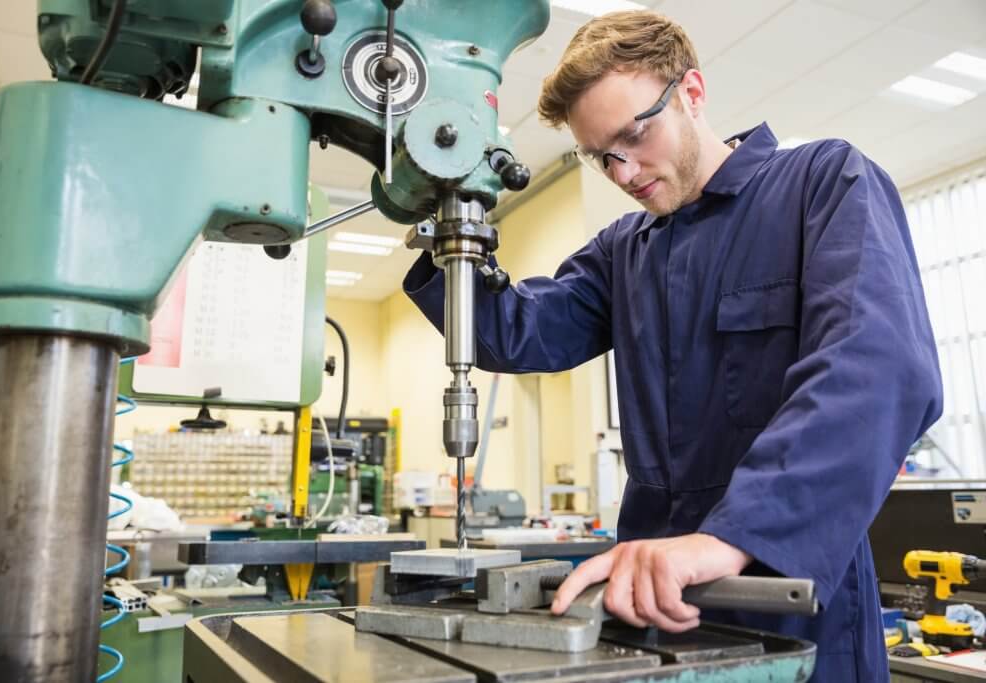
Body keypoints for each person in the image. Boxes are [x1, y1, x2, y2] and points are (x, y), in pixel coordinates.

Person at [403, 10, 942, 681]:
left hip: (797, 599)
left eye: (635, 134)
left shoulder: (821, 184)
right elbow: (514, 330)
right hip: (651, 604)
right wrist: (442, 231)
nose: (624, 171)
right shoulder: (624, 251)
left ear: (692, 92)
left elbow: (878, 367)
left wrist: (729, 535)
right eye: (602, 156)